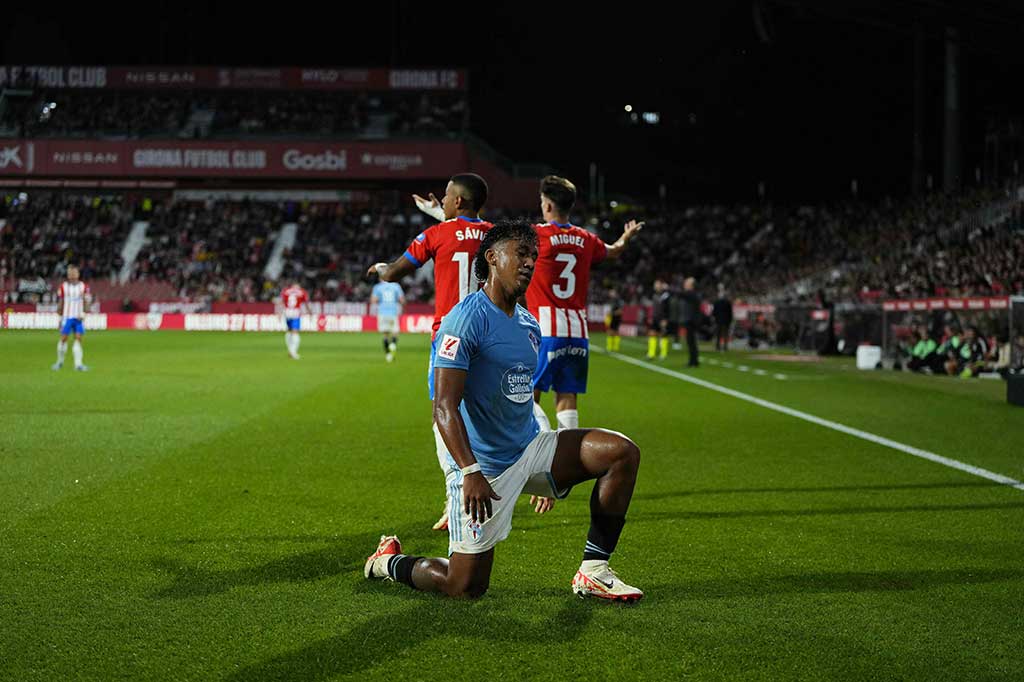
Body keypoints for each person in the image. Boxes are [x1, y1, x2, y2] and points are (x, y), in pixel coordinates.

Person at [364, 220, 644, 601]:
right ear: (493, 258)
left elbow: (522, 398)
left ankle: (593, 571)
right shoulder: (464, 320)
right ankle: (386, 562)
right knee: (464, 587)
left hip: (529, 451)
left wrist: (546, 454)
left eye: (533, 255)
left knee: (621, 452)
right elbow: (444, 408)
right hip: (484, 468)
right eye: (521, 253)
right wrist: (470, 471)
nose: (530, 262)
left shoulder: (529, 324)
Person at [368, 173, 495, 531]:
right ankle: (507, 481)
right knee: (485, 413)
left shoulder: (436, 234)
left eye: (446, 195)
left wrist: (380, 269)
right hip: (490, 335)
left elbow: (394, 274)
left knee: (445, 412)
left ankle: (457, 492)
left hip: (451, 338)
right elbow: (472, 233)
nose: (442, 198)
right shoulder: (496, 235)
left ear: (456, 202)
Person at [526, 175, 643, 431]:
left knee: (528, 394)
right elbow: (614, 251)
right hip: (577, 331)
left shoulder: (537, 234)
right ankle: (569, 457)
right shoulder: (586, 239)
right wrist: (626, 237)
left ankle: (546, 449)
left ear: (547, 206)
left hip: (545, 329)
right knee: (567, 397)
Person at [52, 265, 91, 371]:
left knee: (78, 338)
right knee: (63, 339)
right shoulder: (63, 287)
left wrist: (83, 314)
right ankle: (59, 362)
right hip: (67, 317)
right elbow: (60, 303)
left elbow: (87, 302)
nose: (72, 275)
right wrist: (59, 319)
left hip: (78, 318)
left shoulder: (84, 287)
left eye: (74, 273)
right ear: (68, 275)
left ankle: (78, 365)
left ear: (78, 274)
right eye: (70, 273)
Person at [371, 279, 405, 362]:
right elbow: (402, 300)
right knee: (395, 333)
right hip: (393, 312)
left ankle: (388, 355)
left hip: (382, 312)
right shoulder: (396, 286)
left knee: (385, 335)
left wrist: (380, 301)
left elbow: (373, 300)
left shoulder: (377, 287)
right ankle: (393, 345)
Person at [280, 280, 309, 360]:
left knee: (289, 331)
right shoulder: (301, 292)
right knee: (295, 332)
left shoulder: (286, 291)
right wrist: (310, 312)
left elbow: (281, 302)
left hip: (287, 312)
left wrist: (279, 313)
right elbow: (306, 303)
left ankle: (290, 350)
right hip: (295, 313)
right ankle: (293, 352)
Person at [647, 279, 673, 360]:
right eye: (655, 285)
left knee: (663, 335)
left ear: (662, 285)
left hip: (663, 318)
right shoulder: (654, 295)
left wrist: (665, 319)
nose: (656, 286)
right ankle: (651, 354)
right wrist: (651, 316)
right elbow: (653, 307)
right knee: (652, 334)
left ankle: (663, 353)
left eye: (658, 284)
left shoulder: (666, 295)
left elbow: (668, 308)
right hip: (655, 317)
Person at [680, 277, 700, 367]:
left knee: (691, 341)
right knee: (690, 341)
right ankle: (693, 361)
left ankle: (693, 361)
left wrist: (667, 288)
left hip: (691, 321)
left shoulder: (692, 293)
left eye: (686, 283)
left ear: (691, 285)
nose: (684, 284)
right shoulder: (692, 294)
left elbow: (679, 294)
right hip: (690, 320)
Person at [712, 285, 733, 351]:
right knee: (725, 334)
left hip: (718, 320)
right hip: (726, 321)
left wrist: (715, 318)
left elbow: (714, 312)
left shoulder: (716, 302)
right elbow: (730, 313)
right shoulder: (728, 302)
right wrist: (730, 320)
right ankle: (725, 346)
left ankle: (718, 346)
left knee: (718, 334)